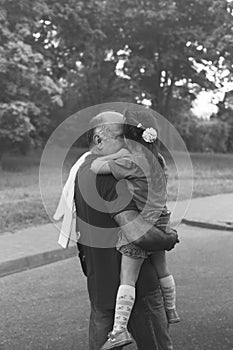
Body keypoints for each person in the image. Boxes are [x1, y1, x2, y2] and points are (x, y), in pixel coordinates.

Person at [74, 110, 179, 350]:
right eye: (123, 136)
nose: (130, 142)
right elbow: (137, 233)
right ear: (99, 140)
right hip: (139, 286)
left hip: (100, 282)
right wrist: (168, 238)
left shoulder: (81, 169)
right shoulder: (111, 175)